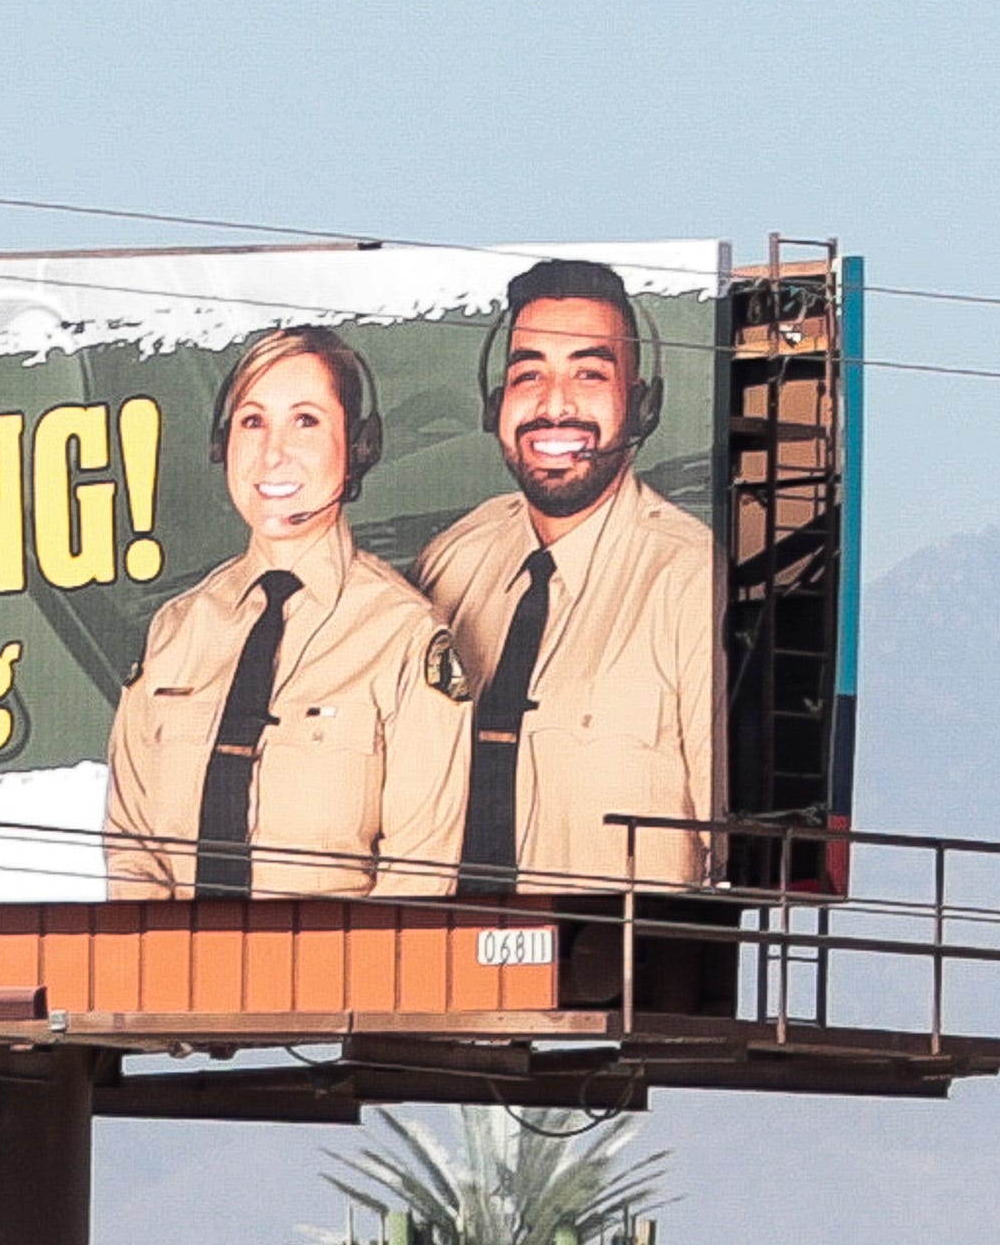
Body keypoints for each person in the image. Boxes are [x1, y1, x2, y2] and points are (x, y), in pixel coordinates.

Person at [103, 326, 465, 898]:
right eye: (252, 421)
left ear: (358, 446)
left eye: (306, 420)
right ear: (223, 445)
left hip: (333, 980)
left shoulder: (406, 637)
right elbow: (133, 853)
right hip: (173, 978)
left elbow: (418, 882)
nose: (273, 453)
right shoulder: (176, 632)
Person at [416, 260, 720, 915]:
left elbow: (734, 844)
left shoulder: (696, 581)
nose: (554, 404)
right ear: (496, 403)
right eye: (529, 374)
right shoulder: (449, 562)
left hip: (617, 987)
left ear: (641, 403)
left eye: (589, 373)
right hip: (432, 975)